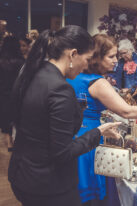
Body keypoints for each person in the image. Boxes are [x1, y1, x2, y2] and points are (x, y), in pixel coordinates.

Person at [8, 25, 121, 206]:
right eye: (86, 59)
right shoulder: (60, 90)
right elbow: (62, 153)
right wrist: (98, 132)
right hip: (48, 185)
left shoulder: (32, 72)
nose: (87, 64)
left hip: (22, 173)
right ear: (73, 54)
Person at [67, 34, 137, 205]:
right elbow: (127, 111)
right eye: (111, 56)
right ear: (96, 57)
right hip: (89, 141)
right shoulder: (97, 82)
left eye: (117, 56)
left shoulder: (74, 75)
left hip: (75, 136)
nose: (115, 61)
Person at [0, 36, 24, 151]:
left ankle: (9, 142)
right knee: (17, 118)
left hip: (3, 95)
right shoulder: (21, 62)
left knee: (5, 118)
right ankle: (17, 140)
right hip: (17, 95)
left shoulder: (1, 61)